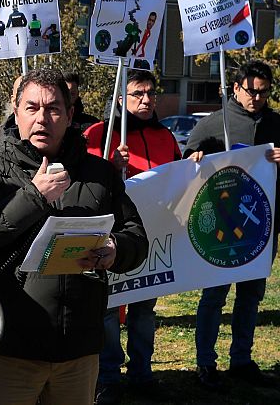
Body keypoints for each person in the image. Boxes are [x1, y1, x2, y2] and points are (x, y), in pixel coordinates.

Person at [0, 68, 148, 405]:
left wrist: (115, 250)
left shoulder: (98, 173)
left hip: (79, 350)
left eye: (53, 108)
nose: (42, 118)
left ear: (70, 115)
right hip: (11, 347)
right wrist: (33, 197)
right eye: (31, 108)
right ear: (16, 112)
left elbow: (136, 237)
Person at [84, 70, 181, 404]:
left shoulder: (165, 137)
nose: (147, 99)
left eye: (151, 93)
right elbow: (85, 183)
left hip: (153, 239)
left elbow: (177, 179)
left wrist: (195, 165)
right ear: (122, 98)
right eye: (138, 93)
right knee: (109, 311)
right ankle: (109, 377)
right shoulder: (101, 133)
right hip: (114, 237)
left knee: (144, 311)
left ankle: (142, 372)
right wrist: (110, 165)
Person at [184, 60, 280, 390]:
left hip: (262, 228)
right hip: (222, 230)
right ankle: (205, 363)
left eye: (264, 92)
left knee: (251, 297)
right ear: (236, 88)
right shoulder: (214, 123)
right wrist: (193, 157)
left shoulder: (276, 123)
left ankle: (241, 359)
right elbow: (186, 163)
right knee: (214, 296)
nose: (257, 97)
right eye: (252, 91)